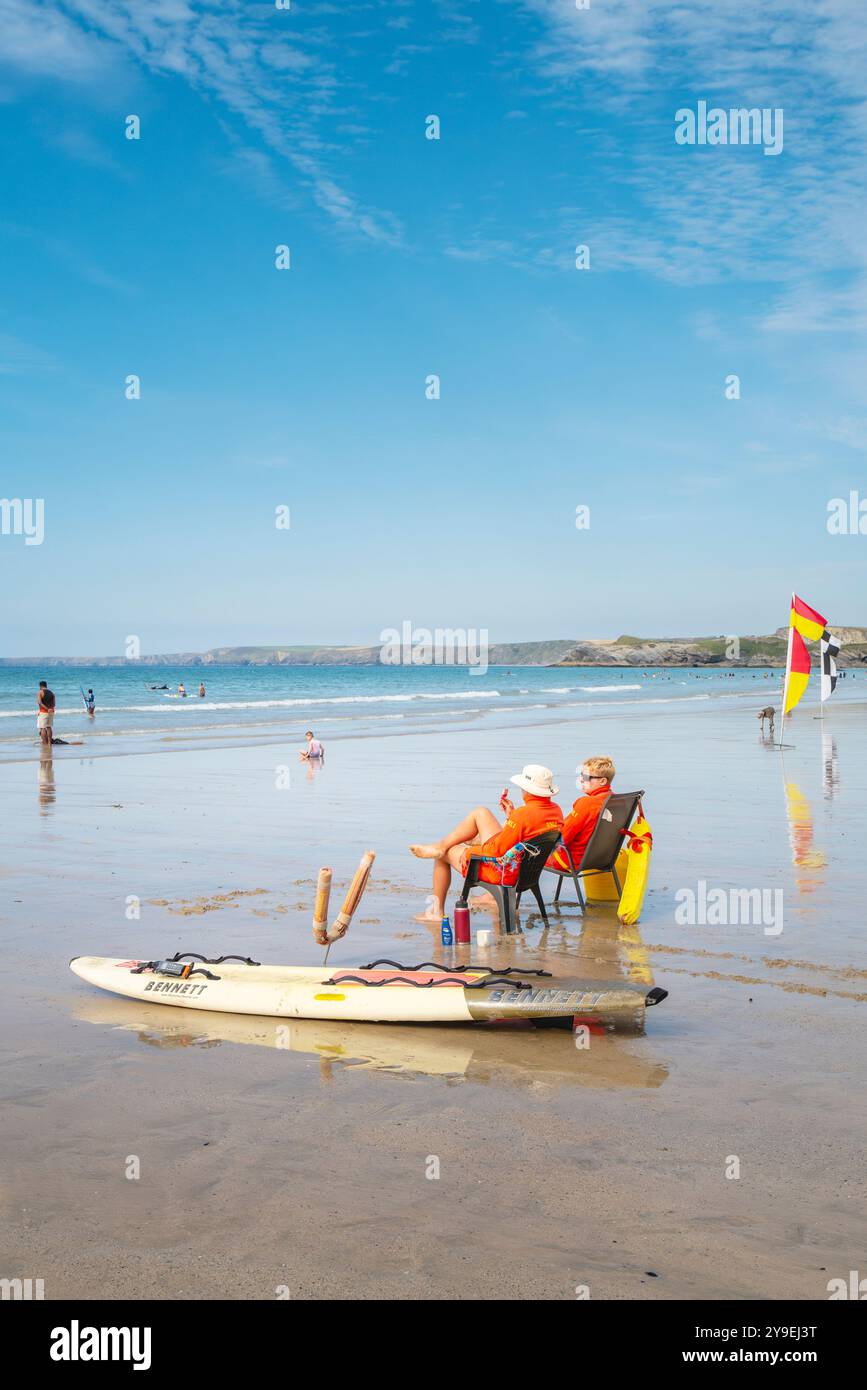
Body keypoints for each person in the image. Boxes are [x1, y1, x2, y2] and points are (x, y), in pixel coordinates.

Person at [410, 764, 563, 921]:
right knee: (481, 813)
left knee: (447, 853)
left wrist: (471, 851)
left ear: (527, 789)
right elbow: (529, 831)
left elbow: (497, 851)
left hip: (504, 872)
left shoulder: (523, 815)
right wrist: (512, 815)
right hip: (526, 871)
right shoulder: (555, 810)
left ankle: (436, 911)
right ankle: (442, 846)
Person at [548, 756, 615, 872]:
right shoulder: (616, 801)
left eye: (586, 777)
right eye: (581, 775)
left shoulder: (587, 803)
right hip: (602, 859)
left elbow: (564, 836)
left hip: (572, 860)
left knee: (522, 856)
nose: (581, 780)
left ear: (603, 781)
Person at [37, 680, 56, 745]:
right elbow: (54, 704)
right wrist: (50, 709)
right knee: (49, 727)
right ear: (46, 685)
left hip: (43, 712)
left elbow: (39, 702)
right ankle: (49, 743)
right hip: (51, 712)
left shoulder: (40, 692)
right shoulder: (52, 693)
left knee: (42, 728)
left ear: (40, 686)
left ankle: (45, 743)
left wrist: (46, 709)